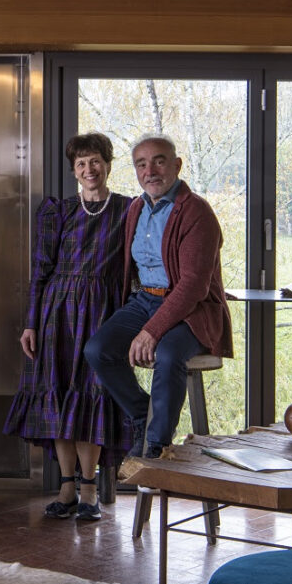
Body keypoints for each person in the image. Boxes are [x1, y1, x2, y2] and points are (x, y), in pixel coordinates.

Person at [2, 133, 132, 522]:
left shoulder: (129, 210)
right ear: (73, 170)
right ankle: (67, 487)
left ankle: (89, 488)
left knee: (92, 395)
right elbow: (40, 270)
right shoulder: (57, 211)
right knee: (58, 396)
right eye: (81, 164)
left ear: (108, 164)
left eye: (95, 161)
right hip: (57, 312)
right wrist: (30, 323)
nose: (89, 169)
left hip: (104, 312)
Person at [83, 134, 233, 459]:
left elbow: (193, 285)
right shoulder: (137, 208)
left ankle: (157, 445)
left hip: (192, 309)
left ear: (176, 165)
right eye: (141, 164)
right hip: (145, 301)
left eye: (159, 161)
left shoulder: (196, 212)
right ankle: (142, 413)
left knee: (167, 354)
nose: (150, 170)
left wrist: (152, 330)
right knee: (98, 350)